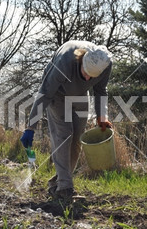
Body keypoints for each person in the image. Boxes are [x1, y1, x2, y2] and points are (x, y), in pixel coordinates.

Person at [20, 40, 113, 201]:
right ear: (81, 61)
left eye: (92, 77)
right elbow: (45, 94)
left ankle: (57, 183)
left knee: (77, 138)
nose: (87, 78)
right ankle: (65, 188)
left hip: (80, 95)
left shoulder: (105, 64)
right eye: (85, 73)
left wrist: (102, 117)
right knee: (64, 136)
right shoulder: (65, 61)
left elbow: (100, 91)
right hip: (57, 94)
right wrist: (30, 127)